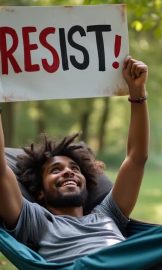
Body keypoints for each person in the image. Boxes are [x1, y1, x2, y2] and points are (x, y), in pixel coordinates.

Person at [0, 56, 149, 264]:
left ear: (86, 183)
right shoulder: (37, 222)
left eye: (74, 168)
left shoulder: (107, 214)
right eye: (55, 170)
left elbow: (136, 159)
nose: (69, 172)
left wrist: (137, 92)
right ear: (40, 192)